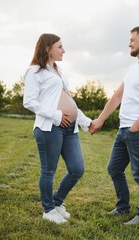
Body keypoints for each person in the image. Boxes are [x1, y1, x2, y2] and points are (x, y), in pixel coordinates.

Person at [90, 26, 139, 225]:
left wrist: (136, 126)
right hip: (123, 130)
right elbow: (117, 96)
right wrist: (100, 119)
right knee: (114, 169)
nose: (128, 44)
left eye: (132, 40)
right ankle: (122, 207)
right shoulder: (132, 68)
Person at [23, 33, 92, 224]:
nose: (64, 50)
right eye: (60, 46)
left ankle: (57, 202)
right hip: (49, 128)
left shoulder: (59, 71)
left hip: (70, 129)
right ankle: (48, 210)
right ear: (47, 48)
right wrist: (56, 115)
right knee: (48, 171)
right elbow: (29, 101)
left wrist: (84, 120)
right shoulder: (35, 71)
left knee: (77, 169)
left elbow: (69, 99)